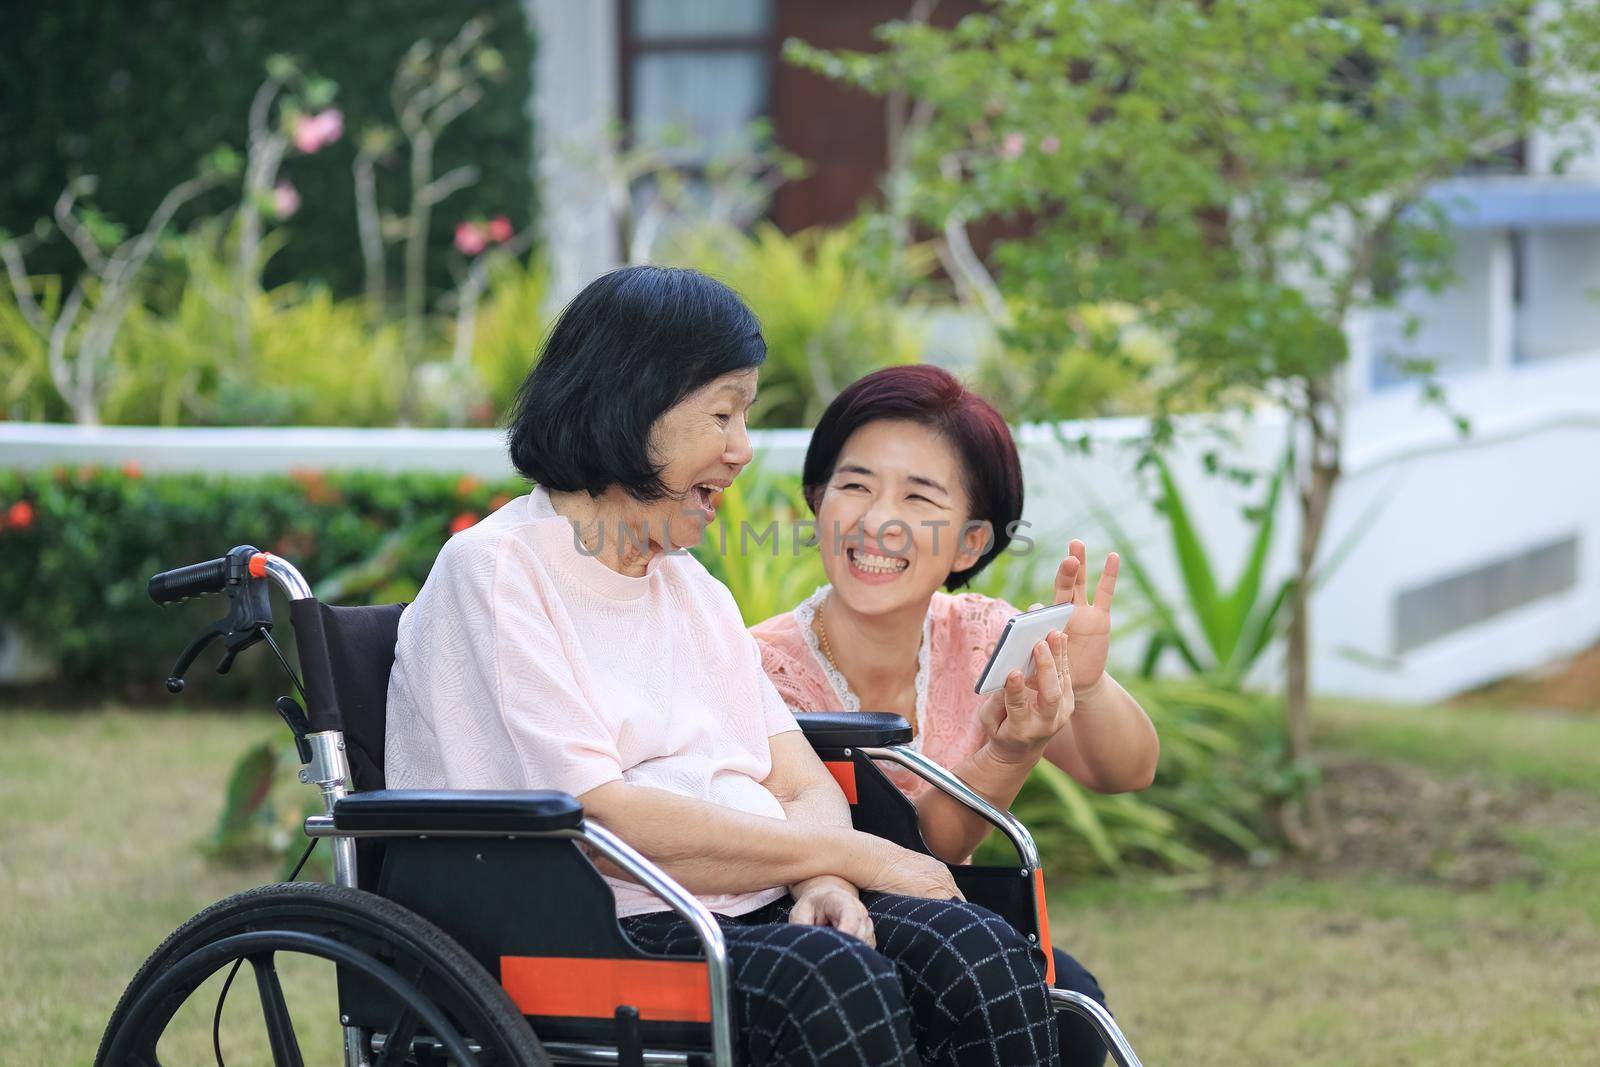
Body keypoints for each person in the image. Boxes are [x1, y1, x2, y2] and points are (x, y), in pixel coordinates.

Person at [386, 267, 1060, 1066]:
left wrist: (825, 884)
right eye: (722, 413)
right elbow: (601, 819)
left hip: (747, 900)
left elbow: (800, 782)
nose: (741, 451)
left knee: (978, 955)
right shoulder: (500, 570)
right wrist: (857, 856)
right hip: (589, 929)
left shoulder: (690, 587)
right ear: (632, 405)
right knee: (838, 984)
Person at [752, 364, 1162, 1067]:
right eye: (854, 485)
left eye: (918, 496)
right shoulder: (755, 668)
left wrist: (1085, 687)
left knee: (1073, 1002)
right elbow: (912, 852)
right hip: (826, 947)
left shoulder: (981, 636)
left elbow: (1125, 769)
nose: (877, 520)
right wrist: (1007, 753)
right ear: (817, 502)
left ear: (971, 542)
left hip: (956, 926)